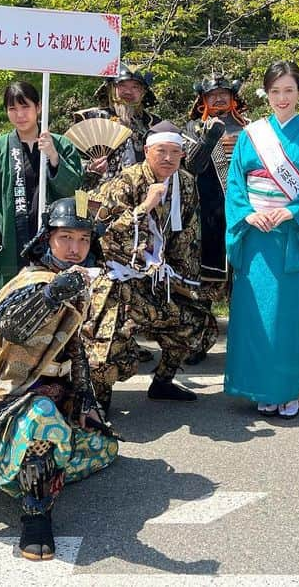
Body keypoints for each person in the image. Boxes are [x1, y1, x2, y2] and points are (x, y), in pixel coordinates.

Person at [0, 195, 118, 562]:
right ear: (47, 239)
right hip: (10, 403)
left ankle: (23, 470)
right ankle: (36, 517)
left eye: (83, 239)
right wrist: (52, 294)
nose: (75, 248)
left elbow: (73, 349)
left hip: (56, 394)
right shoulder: (32, 283)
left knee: (105, 447)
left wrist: (84, 400)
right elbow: (15, 326)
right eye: (66, 237)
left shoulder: (76, 281)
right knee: (42, 424)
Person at [223, 61, 299, 419]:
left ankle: (286, 390)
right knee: (254, 315)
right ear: (266, 95)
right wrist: (247, 214)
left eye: (288, 90)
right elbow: (237, 185)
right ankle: (259, 388)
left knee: (284, 318)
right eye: (275, 92)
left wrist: (292, 212)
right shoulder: (251, 134)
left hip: (287, 235)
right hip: (255, 234)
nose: (282, 98)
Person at [84, 121, 212, 410]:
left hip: (158, 277)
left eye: (175, 152)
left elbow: (188, 237)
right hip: (118, 280)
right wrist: (145, 207)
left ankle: (163, 382)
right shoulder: (125, 182)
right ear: (146, 151)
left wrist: (185, 284)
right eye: (161, 151)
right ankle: (98, 402)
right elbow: (103, 234)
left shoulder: (187, 182)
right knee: (108, 342)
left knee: (194, 320)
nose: (168, 158)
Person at [0, 81, 84, 299]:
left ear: (38, 107)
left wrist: (53, 156)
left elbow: (76, 191)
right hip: (11, 240)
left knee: (58, 302)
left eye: (26, 107)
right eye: (13, 109)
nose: (20, 114)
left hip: (56, 241)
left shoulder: (62, 145)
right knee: (13, 303)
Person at [181, 73, 250, 364]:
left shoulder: (251, 129)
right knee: (202, 287)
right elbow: (190, 166)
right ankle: (199, 341)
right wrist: (208, 139)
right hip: (207, 214)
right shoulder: (193, 128)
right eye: (212, 95)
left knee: (244, 284)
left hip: (245, 213)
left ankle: (244, 341)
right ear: (202, 100)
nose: (218, 98)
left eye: (223, 93)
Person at [79, 64, 162, 186]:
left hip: (142, 193)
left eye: (135, 87)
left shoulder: (154, 123)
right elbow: (72, 161)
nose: (128, 91)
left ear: (143, 92)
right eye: (122, 85)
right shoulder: (91, 118)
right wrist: (90, 168)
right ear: (112, 88)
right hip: (100, 193)